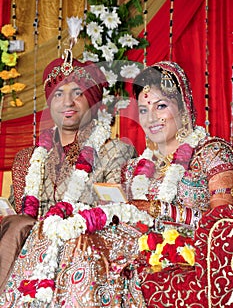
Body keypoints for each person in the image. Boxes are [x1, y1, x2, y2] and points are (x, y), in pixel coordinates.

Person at [0, 51, 152, 307]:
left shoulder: (114, 151)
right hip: (22, 259)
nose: (67, 102)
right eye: (58, 94)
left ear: (92, 101)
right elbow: (16, 216)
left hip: (80, 254)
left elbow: (117, 213)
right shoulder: (29, 159)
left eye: (77, 93)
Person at [121, 61, 233, 306]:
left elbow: (223, 225)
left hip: (192, 256)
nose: (151, 118)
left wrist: (158, 210)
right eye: (143, 110)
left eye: (160, 106)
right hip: (138, 254)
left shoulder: (212, 154)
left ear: (183, 107)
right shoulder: (134, 169)